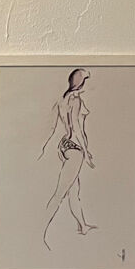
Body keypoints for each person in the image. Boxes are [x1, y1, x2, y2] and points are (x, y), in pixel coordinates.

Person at [38, 68, 97, 248]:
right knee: (60, 193)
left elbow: (60, 126)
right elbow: (77, 128)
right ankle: (39, 232)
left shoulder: (64, 99)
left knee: (73, 191)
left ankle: (82, 225)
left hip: (65, 146)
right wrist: (86, 152)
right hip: (75, 149)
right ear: (81, 82)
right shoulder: (76, 100)